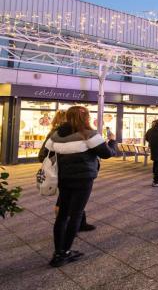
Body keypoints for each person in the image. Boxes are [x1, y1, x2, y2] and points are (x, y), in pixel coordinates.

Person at [42, 106, 114, 267]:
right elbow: (107, 153)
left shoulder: (56, 134)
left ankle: (58, 252)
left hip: (63, 178)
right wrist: (113, 142)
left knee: (62, 216)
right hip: (83, 178)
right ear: (86, 117)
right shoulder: (88, 134)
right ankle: (65, 253)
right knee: (76, 214)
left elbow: (43, 154)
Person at [40, 110, 96, 233]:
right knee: (65, 205)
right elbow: (44, 154)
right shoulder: (57, 133)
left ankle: (78, 224)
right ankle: (67, 232)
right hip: (65, 173)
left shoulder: (71, 133)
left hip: (69, 173)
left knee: (74, 202)